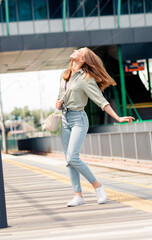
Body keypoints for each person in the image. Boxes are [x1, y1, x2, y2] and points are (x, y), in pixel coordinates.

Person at [56, 47, 135, 207]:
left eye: (79, 51)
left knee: (73, 157)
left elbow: (101, 101)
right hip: (64, 119)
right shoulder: (64, 75)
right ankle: (78, 195)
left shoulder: (86, 79)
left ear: (83, 60)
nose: (75, 50)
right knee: (68, 161)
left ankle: (97, 186)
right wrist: (58, 103)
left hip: (79, 119)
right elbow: (60, 97)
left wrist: (118, 117)